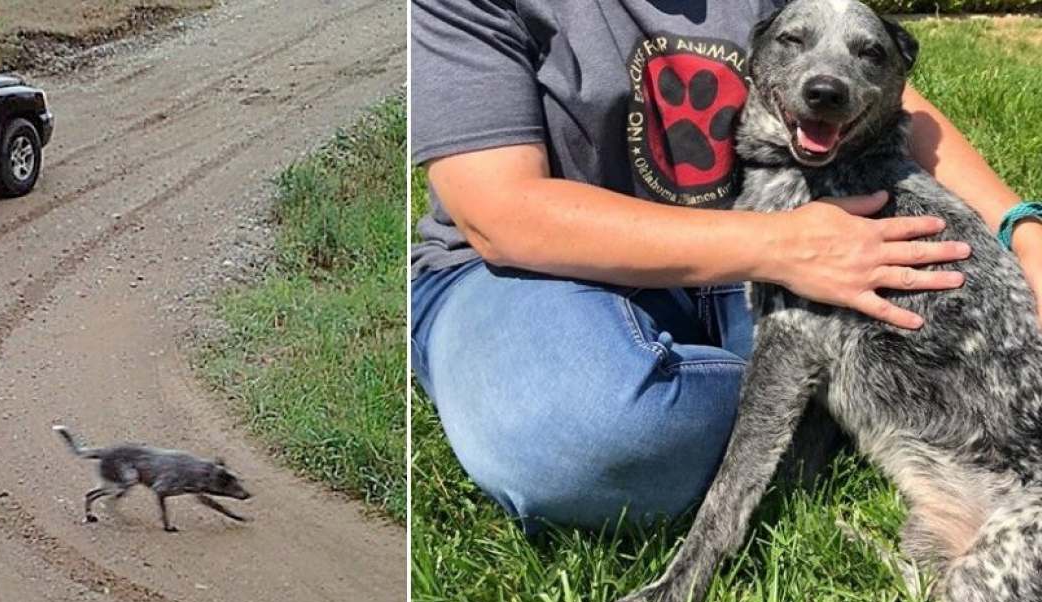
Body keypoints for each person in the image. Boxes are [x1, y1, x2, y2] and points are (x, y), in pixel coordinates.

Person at [409, 0, 1042, 535]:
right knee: (595, 437)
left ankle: (812, 411)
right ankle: (814, 415)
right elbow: (499, 215)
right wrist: (783, 249)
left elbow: (884, 93)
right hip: (533, 271)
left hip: (743, 270)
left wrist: (1025, 233)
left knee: (969, 341)